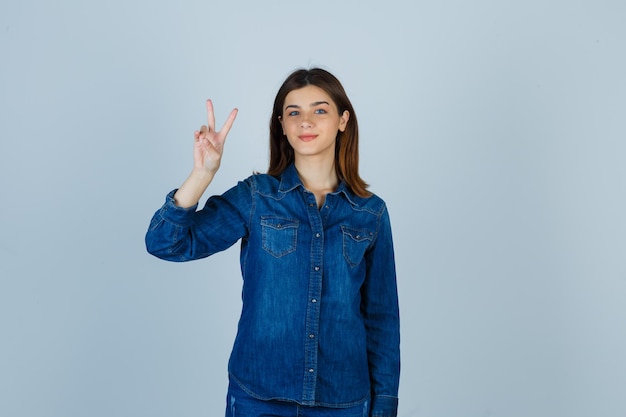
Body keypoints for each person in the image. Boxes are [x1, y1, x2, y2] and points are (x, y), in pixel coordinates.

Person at [145, 68, 400, 417]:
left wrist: (384, 406)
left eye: (320, 110)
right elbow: (166, 243)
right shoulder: (256, 198)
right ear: (282, 124)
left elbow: (382, 319)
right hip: (258, 398)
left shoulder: (370, 214)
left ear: (343, 120)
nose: (305, 121)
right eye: (294, 112)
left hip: (343, 402)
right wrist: (202, 174)